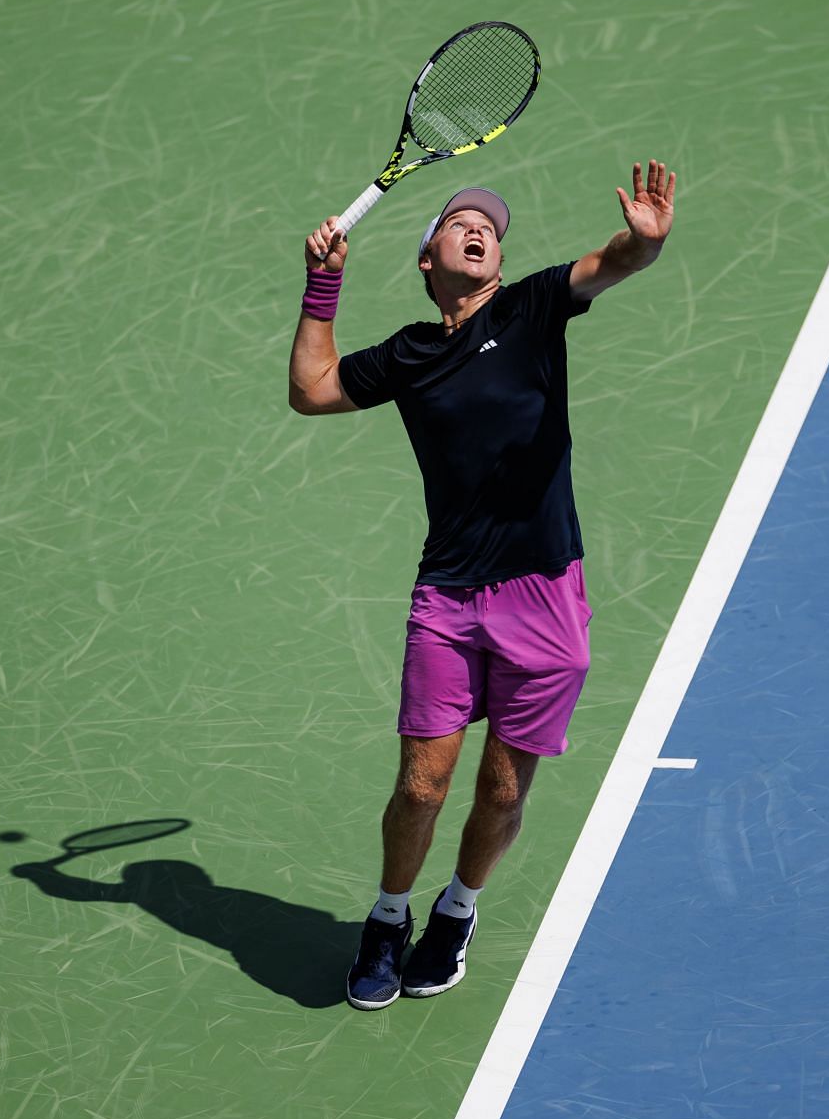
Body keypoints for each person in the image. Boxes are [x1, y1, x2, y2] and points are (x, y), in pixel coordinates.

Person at [287, 161, 677, 1010]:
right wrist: (324, 285)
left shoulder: (532, 309)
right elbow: (313, 391)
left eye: (490, 228)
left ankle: (457, 910)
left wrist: (640, 246)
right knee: (420, 786)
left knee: (502, 788)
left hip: (543, 597)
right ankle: (388, 918)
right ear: (428, 258)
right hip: (449, 599)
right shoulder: (410, 354)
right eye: (460, 223)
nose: (478, 229)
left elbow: (608, 265)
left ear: (497, 260)